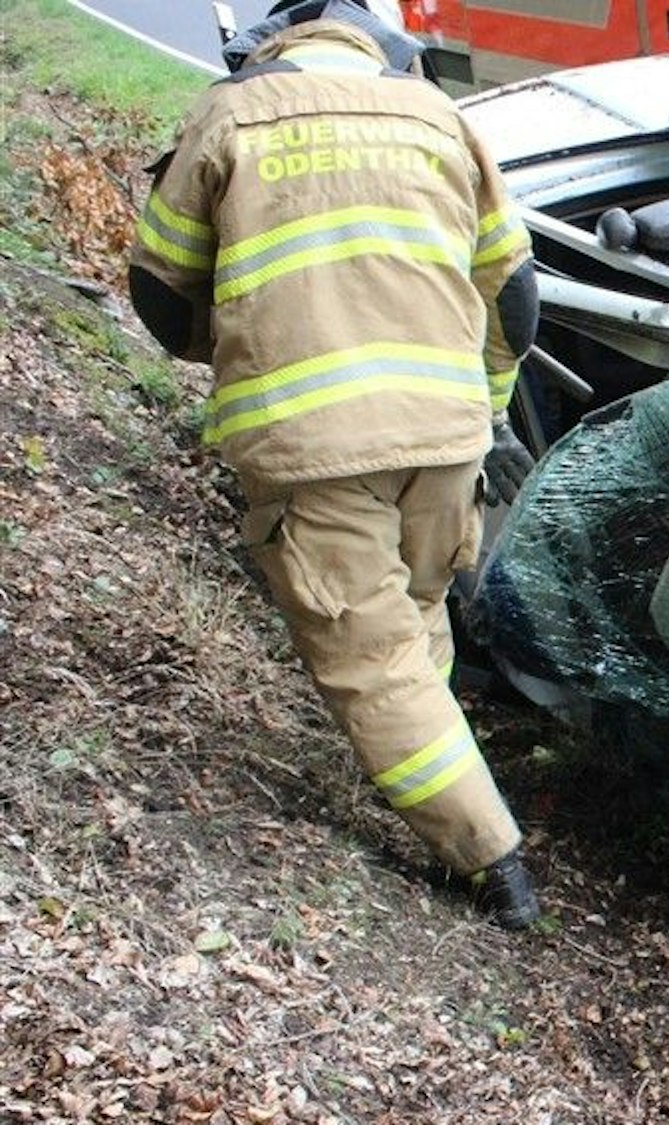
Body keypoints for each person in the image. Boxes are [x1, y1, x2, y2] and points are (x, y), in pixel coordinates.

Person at [128, 0, 544, 928]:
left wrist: (240, 343)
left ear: (272, 43)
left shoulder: (230, 114)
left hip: (313, 445)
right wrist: (485, 406)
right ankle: (441, 776)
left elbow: (159, 289)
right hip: (445, 437)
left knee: (373, 660)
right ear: (379, 47)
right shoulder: (440, 116)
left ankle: (495, 863)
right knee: (417, 617)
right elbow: (514, 296)